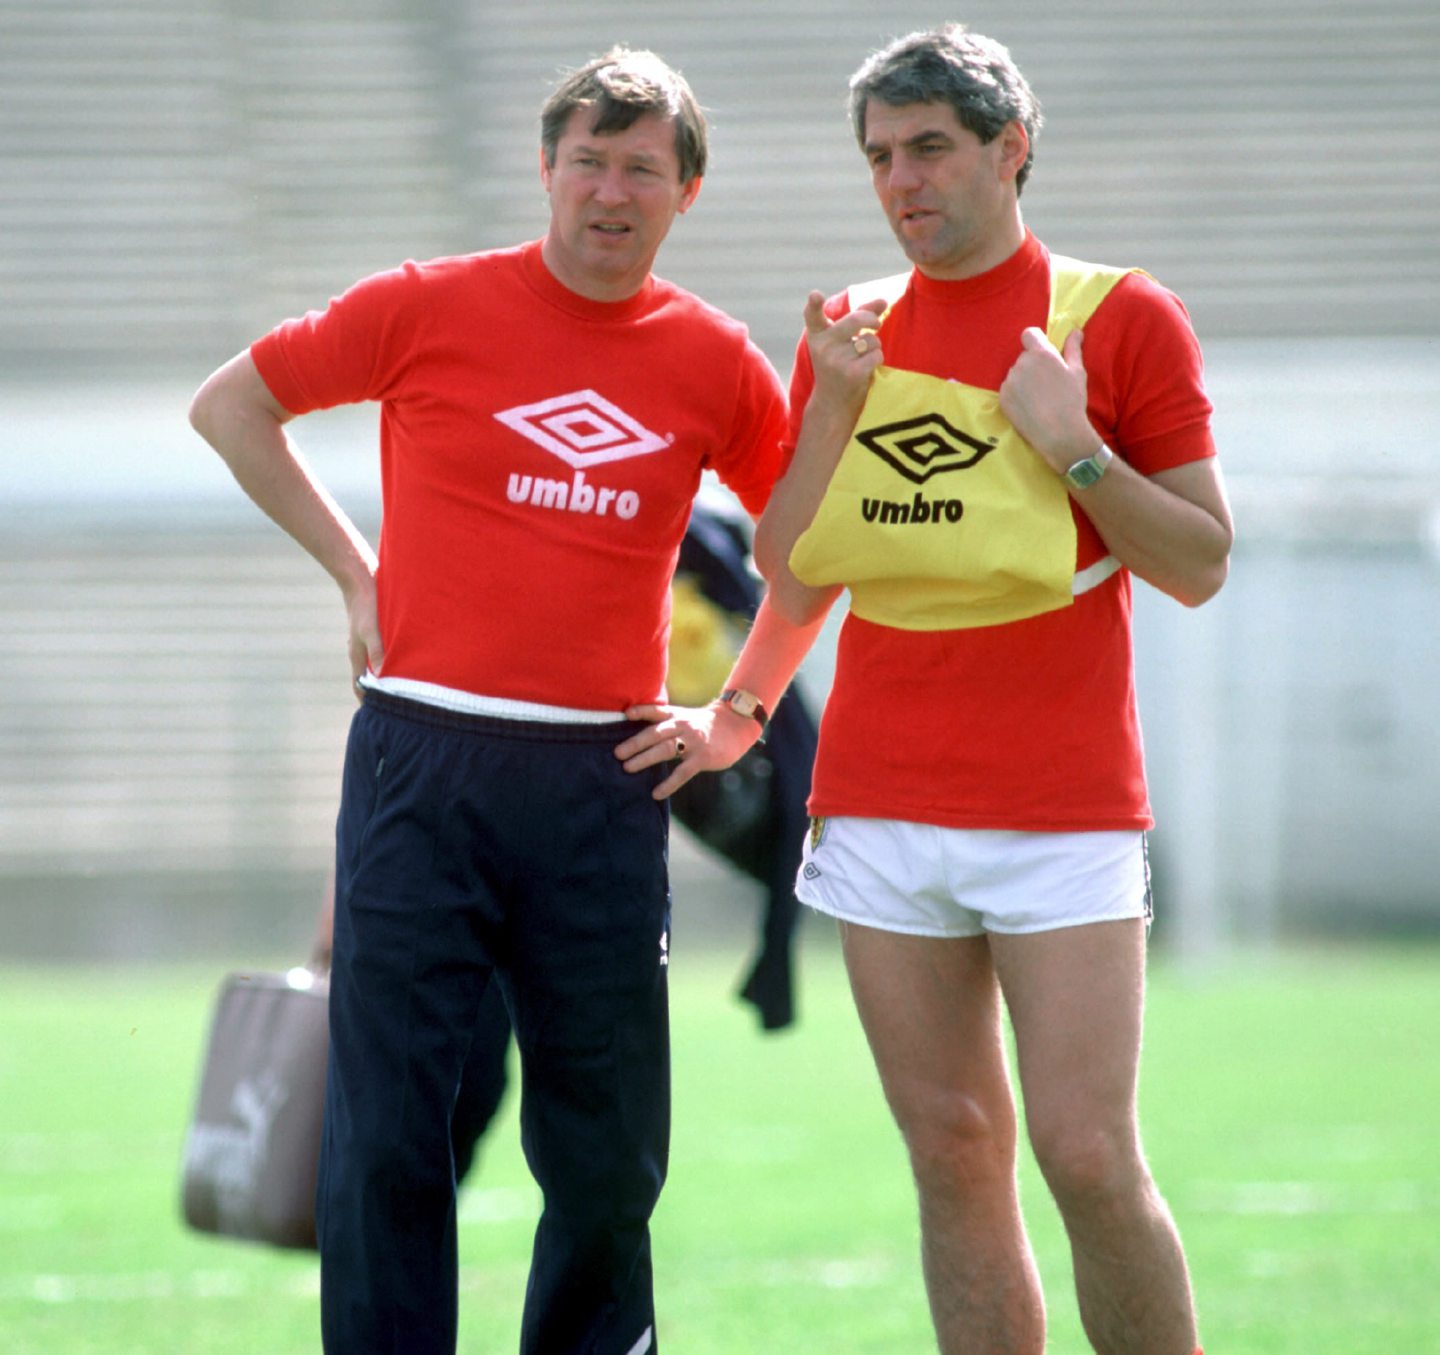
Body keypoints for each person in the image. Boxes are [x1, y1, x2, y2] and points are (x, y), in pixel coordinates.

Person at [616, 23, 1231, 1355]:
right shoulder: (847, 330)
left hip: (1064, 811)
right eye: (880, 157)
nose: (903, 181)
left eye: (932, 149)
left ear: (1011, 150)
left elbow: (1199, 563)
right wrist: (735, 716)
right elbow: (792, 566)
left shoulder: (1120, 318)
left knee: (1083, 1155)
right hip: (880, 809)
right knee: (953, 1151)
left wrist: (1075, 452)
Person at [189, 46, 788, 1355]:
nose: (610, 191)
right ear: (547, 170)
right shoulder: (427, 305)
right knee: (390, 1133)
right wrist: (360, 576)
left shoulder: (713, 359)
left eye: (642, 168)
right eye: (589, 161)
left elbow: (811, 545)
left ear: (686, 192)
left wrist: (739, 713)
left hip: (602, 779)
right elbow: (232, 407)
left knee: (607, 1148)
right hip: (421, 763)